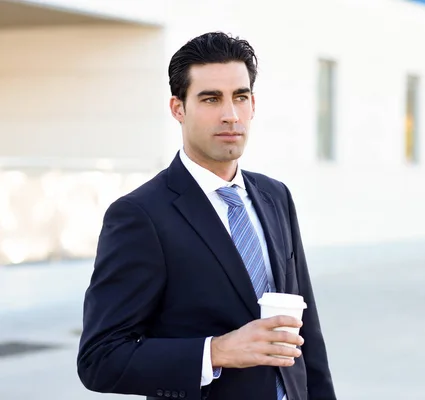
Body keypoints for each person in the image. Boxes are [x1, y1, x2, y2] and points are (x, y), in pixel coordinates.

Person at [77, 32, 337, 400]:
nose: (230, 115)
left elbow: (307, 336)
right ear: (177, 108)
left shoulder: (275, 196)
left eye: (240, 97)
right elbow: (100, 359)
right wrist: (216, 352)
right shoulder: (140, 215)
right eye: (211, 98)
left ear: (252, 104)